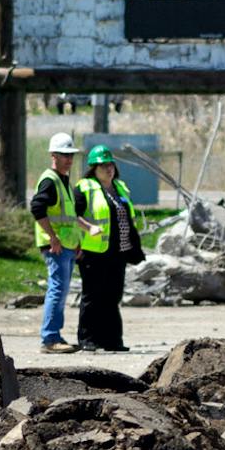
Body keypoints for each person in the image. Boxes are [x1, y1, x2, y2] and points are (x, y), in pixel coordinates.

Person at [74, 145, 142, 352]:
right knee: (92, 296)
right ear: (93, 168)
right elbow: (72, 215)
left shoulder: (120, 187)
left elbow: (127, 218)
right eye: (103, 166)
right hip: (93, 252)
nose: (108, 169)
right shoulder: (84, 187)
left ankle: (112, 340)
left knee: (113, 296)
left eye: (110, 164)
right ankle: (87, 339)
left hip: (118, 252)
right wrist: (87, 228)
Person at [29, 132, 86, 353]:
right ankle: (50, 338)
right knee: (57, 290)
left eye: (71, 155)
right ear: (53, 155)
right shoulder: (50, 180)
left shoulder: (63, 181)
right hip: (56, 246)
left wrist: (77, 242)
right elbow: (37, 208)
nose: (69, 159)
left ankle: (54, 335)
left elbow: (69, 218)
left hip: (67, 246)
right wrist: (52, 237)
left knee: (60, 291)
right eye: (64, 155)